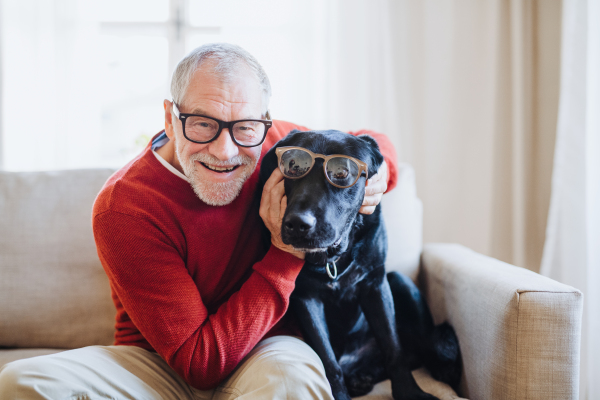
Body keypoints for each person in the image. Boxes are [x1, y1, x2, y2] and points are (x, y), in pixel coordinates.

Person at [0, 43, 398, 399]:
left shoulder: (278, 145)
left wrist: (381, 175)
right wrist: (283, 252)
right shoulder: (124, 207)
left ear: (264, 123)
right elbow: (198, 363)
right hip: (156, 365)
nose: (225, 151)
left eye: (244, 127)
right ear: (170, 119)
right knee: (21, 382)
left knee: (295, 382)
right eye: (203, 124)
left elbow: (366, 140)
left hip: (265, 347)